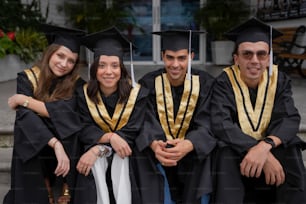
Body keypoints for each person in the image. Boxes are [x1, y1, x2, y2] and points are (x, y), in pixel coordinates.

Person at [210, 17, 306, 203]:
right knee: (223, 151)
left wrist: (265, 146)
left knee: (291, 148)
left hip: (269, 146)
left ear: (269, 58)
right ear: (236, 59)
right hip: (237, 150)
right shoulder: (223, 82)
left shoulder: (279, 80)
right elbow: (221, 123)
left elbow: (289, 118)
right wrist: (256, 150)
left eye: (261, 54)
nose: (254, 60)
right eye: (247, 54)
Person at [3, 24, 86, 204]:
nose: (64, 64)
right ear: (50, 53)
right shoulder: (27, 77)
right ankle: (44, 185)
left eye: (71, 61)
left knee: (71, 122)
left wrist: (24, 100)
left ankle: (67, 184)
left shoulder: (78, 84)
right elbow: (25, 116)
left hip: (67, 144)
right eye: (60, 56)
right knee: (26, 122)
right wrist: (55, 144)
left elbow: (67, 114)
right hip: (42, 145)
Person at [136, 30, 217, 204]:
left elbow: (210, 121)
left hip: (192, 151)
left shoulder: (206, 83)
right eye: (170, 57)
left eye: (181, 58)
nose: (175, 64)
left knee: (208, 151)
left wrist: (190, 143)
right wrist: (154, 143)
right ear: (162, 56)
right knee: (140, 151)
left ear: (191, 56)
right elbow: (143, 119)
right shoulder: (148, 83)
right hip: (160, 153)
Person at [73, 26, 149, 204]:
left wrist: (100, 147)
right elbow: (83, 127)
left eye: (115, 65)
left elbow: (134, 129)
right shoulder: (82, 94)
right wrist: (110, 137)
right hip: (96, 152)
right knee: (87, 162)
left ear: (122, 69)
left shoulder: (138, 94)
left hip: (128, 155)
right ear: (94, 69)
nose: (108, 71)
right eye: (102, 65)